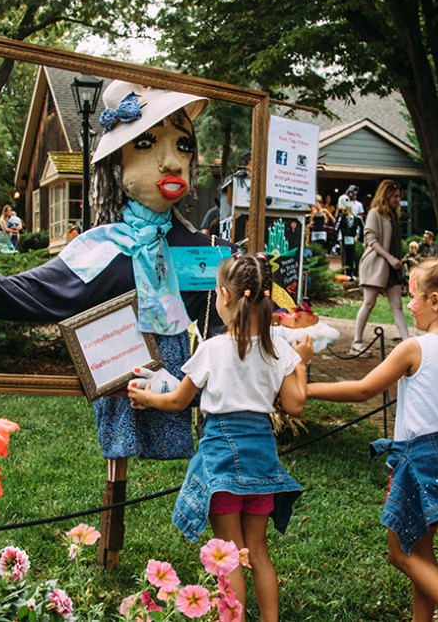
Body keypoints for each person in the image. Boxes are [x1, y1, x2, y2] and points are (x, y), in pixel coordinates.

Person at [0, 80, 233, 461]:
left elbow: (236, 338)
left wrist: (190, 385)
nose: (172, 161)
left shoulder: (209, 254)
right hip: (120, 390)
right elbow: (13, 298)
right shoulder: (99, 250)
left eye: (183, 145)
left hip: (192, 409)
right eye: (146, 143)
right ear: (116, 163)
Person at [307, 257, 438, 622]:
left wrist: (305, 390)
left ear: (436, 302)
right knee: (422, 551)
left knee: (400, 553)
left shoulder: (414, 348)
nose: (408, 304)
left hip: (418, 458)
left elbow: (363, 390)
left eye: (415, 296)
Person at [128, 253, 314, 621]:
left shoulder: (212, 349)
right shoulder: (277, 350)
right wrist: (302, 364)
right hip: (261, 456)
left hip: (222, 456)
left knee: (230, 552)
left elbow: (180, 400)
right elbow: (295, 405)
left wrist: (147, 397)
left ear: (225, 298)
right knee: (258, 551)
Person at [352, 179, 411, 352]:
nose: (397, 199)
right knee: (369, 303)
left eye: (399, 196)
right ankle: (356, 342)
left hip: (392, 268)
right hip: (376, 265)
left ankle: (407, 341)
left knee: (397, 305)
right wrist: (390, 258)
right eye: (394, 196)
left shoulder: (393, 215)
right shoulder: (375, 213)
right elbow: (371, 240)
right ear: (385, 195)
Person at [336, 206, 364, 279]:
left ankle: (350, 272)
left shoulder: (355, 218)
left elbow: (336, 228)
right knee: (348, 255)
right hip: (346, 237)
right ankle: (348, 272)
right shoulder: (344, 217)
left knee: (349, 255)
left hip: (350, 237)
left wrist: (360, 238)